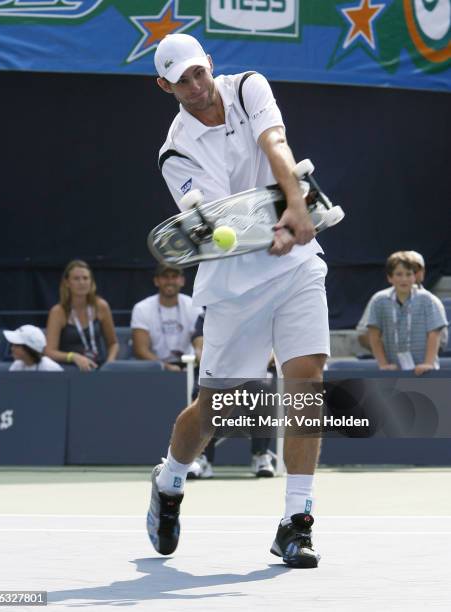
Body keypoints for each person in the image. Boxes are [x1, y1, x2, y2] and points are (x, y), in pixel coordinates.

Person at [147, 33, 330, 569]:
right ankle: (170, 480)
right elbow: (216, 221)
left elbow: (277, 147)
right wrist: (266, 230)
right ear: (166, 86)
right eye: (182, 80)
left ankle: (296, 522)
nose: (196, 86)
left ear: (210, 64)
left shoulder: (249, 86)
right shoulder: (175, 150)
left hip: (296, 260)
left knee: (307, 380)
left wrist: (294, 209)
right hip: (234, 281)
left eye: (199, 72)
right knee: (215, 411)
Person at [187, 312, 275, 479]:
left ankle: (260, 456)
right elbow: (201, 349)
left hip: (252, 374)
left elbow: (271, 350)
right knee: (206, 393)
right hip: (217, 373)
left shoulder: (263, 312)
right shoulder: (209, 314)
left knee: (263, 394)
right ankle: (202, 457)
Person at [367, 251, 448, 374]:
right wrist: (383, 365)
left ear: (415, 277)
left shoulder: (428, 300)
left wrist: (428, 364)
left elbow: (434, 334)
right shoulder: (379, 300)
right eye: (399, 274)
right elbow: (374, 335)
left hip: (425, 373)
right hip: (392, 373)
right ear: (389, 277)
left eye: (408, 274)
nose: (404, 279)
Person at [46, 260, 119, 370]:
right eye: (76, 279)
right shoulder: (58, 312)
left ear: (91, 282)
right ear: (67, 283)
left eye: (85, 278)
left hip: (99, 367)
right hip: (70, 369)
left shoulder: (101, 306)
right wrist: (73, 357)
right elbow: (49, 351)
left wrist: (109, 364)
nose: (82, 282)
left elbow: (113, 344)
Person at [131, 264, 202, 372]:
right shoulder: (141, 308)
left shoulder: (194, 306)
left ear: (182, 281)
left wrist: (198, 355)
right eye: (165, 277)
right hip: (155, 367)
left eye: (174, 276)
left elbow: (200, 340)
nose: (170, 281)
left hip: (189, 366)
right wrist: (164, 366)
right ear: (156, 281)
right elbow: (140, 350)